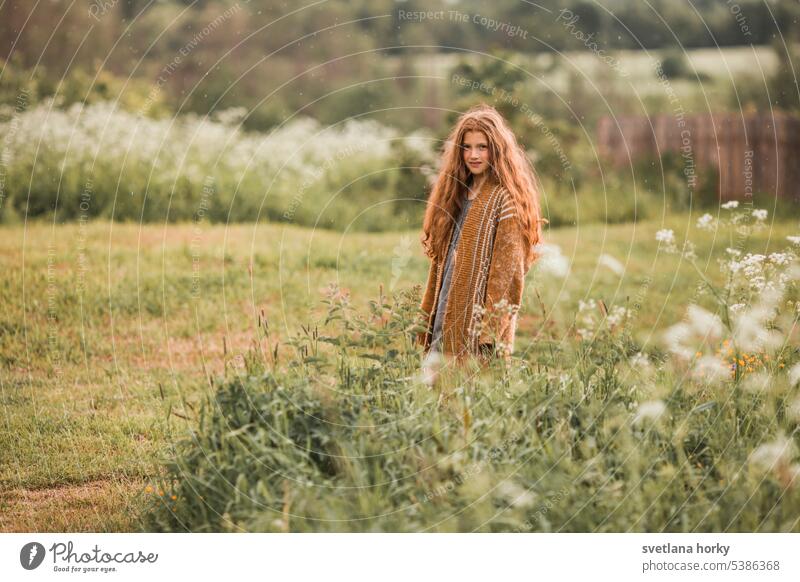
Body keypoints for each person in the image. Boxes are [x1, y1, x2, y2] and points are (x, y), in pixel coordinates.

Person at [417, 103, 548, 364]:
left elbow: (508, 274)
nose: (473, 155)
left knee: (471, 391)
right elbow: (439, 265)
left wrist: (489, 332)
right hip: (446, 307)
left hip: (478, 326)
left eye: (482, 147)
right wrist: (426, 318)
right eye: (467, 147)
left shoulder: (505, 201)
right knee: (436, 392)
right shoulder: (454, 195)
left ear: (496, 151)